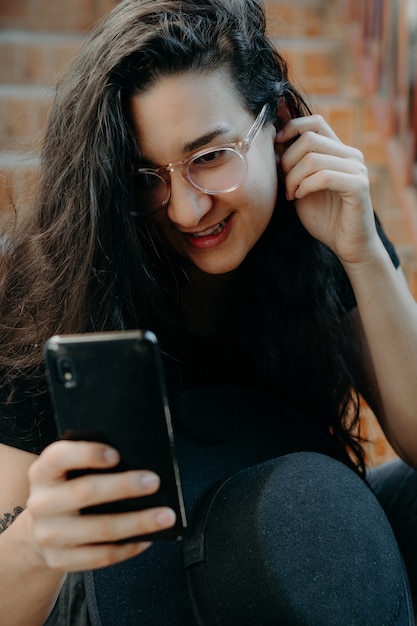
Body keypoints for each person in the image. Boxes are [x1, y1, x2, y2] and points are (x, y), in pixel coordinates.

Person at [1, 0, 417, 623]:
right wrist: (37, 541)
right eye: (148, 175)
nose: (187, 210)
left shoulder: (326, 228)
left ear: (275, 121)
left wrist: (364, 257)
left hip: (295, 565)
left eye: (210, 157)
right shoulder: (62, 279)